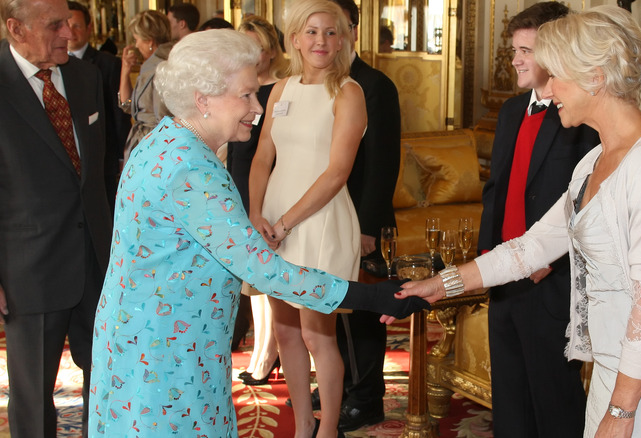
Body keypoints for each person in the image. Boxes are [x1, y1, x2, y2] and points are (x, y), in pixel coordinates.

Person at [88, 28, 427, 437]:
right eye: (246, 95)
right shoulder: (190, 169)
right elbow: (266, 270)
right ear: (203, 99)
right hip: (166, 349)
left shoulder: (165, 141)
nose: (258, 108)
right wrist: (371, 295)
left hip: (151, 335)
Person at [394, 6, 641, 438]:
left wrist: (621, 413)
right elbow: (532, 246)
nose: (549, 87)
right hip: (613, 370)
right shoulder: (593, 161)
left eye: (557, 74)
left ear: (595, 77)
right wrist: (444, 284)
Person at [476, 3, 600, 436]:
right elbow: (497, 191)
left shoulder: (580, 118)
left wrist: (554, 260)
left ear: (555, 54)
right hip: (505, 274)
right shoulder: (511, 110)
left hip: (550, 280)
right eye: (515, 49)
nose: (515, 59)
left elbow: (587, 200)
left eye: (526, 50)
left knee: (554, 400)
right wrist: (486, 259)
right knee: (508, 396)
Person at [247, 0, 366, 435]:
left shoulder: (348, 92)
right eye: (312, 32)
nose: (322, 41)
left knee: (318, 334)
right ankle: (302, 426)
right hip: (273, 219)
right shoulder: (279, 90)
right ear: (294, 39)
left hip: (319, 221)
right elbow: (261, 158)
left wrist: (285, 223)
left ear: (343, 39)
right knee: (286, 331)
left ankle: (328, 428)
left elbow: (336, 172)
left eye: (331, 32)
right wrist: (256, 214)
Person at [0, 0, 113, 435]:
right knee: (32, 393)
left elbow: (103, 172)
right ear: (16, 28)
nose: (70, 33)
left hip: (97, 258)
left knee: (107, 376)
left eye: (69, 22)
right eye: (55, 25)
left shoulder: (86, 76)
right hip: (29, 265)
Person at [326, 0, 401, 433]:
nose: (326, 39)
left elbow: (383, 162)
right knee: (332, 305)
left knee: (365, 312)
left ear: (352, 30)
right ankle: (345, 383)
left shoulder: (375, 85)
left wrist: (368, 228)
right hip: (326, 218)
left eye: (334, 28)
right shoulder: (317, 84)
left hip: (363, 221)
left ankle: (368, 397)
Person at [227, 16, 287, 386]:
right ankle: (262, 351)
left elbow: (271, 154)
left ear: (270, 51)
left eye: (256, 47)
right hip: (237, 182)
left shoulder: (279, 92)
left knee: (266, 278)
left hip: (265, 190)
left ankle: (268, 353)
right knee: (251, 281)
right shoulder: (237, 90)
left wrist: (258, 203)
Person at [67, 0, 131, 208]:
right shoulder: (51, 66)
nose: (70, 32)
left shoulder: (107, 64)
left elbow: (118, 112)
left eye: (76, 25)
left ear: (89, 28)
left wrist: (122, 156)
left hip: (103, 158)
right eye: (65, 25)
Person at [118, 9, 172, 163]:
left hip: (154, 149)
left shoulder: (161, 67)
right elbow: (127, 105)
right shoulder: (149, 65)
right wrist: (125, 71)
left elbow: (164, 119)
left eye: (137, 39)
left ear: (149, 41)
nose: (136, 45)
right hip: (146, 143)